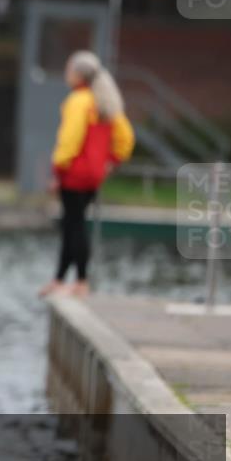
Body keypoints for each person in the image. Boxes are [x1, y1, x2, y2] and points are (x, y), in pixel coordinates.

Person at [40, 50, 135, 298]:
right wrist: (111, 161)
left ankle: (76, 281)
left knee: (73, 225)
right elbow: (125, 138)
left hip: (74, 174)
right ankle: (63, 279)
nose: (66, 74)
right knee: (75, 223)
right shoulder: (105, 101)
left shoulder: (78, 101)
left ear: (79, 75)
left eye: (69, 69)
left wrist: (57, 171)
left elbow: (70, 140)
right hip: (94, 175)